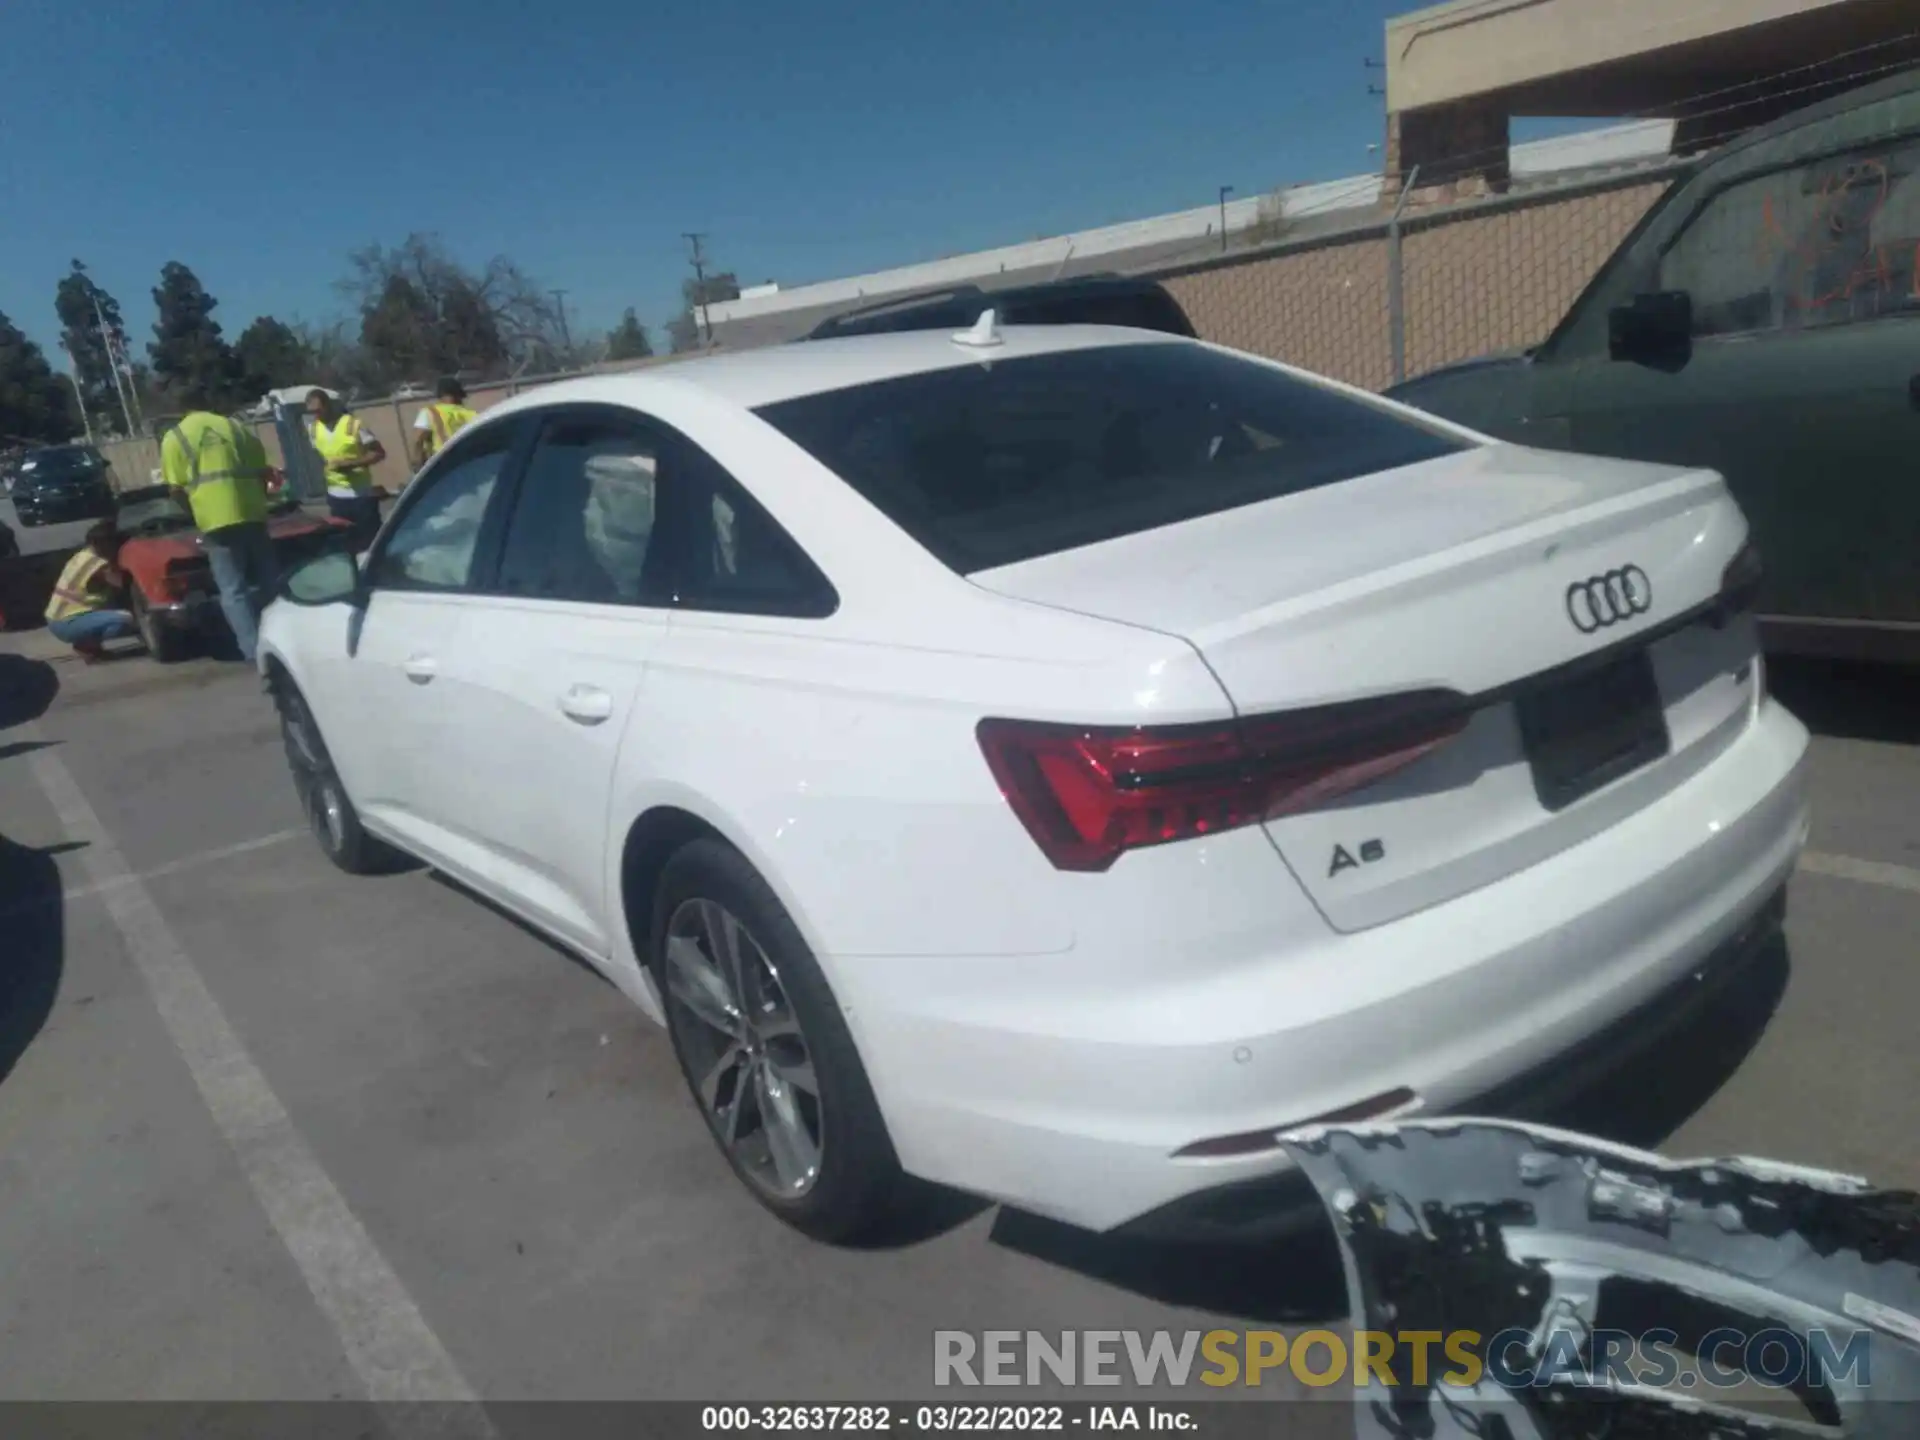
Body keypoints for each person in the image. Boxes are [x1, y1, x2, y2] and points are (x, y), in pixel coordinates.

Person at [160, 388, 279, 664]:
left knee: (233, 590)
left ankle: (253, 652)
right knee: (269, 582)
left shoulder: (175, 437)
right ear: (209, 404)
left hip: (215, 520)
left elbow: (175, 489)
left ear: (183, 410)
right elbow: (262, 470)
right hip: (253, 513)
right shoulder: (235, 427)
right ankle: (284, 640)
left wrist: (193, 512)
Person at [306, 387, 388, 549]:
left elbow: (379, 453)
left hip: (361, 495)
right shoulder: (313, 429)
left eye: (319, 410)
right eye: (312, 412)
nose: (317, 415)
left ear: (328, 405)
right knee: (347, 546)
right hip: (336, 497)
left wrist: (351, 464)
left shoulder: (353, 424)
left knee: (373, 544)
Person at [44, 520, 136, 662]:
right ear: (107, 544)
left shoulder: (83, 555)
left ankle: (90, 646)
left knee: (112, 607)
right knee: (125, 619)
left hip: (58, 617)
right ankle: (86, 646)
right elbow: (122, 584)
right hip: (69, 621)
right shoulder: (100, 565)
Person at [411, 377, 477, 471]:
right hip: (467, 464)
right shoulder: (471, 414)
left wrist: (418, 465)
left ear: (440, 395)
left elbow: (418, 439)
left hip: (441, 467)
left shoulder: (430, 412)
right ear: (458, 396)